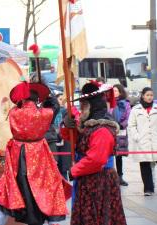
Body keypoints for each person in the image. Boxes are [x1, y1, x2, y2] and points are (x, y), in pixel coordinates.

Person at [0, 82, 71, 225]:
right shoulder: (44, 114)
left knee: (10, 189)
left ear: (23, 99)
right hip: (39, 155)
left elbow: (17, 108)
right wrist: (50, 99)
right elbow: (54, 108)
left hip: (17, 156)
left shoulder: (14, 113)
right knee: (47, 188)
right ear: (36, 100)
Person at [62, 81, 126, 225]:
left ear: (93, 106)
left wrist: (74, 170)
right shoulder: (89, 125)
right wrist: (67, 126)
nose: (82, 109)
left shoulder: (102, 129)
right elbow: (75, 141)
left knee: (98, 217)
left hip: (100, 181)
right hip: (89, 180)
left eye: (84, 105)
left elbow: (96, 159)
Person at [128, 87, 157, 196]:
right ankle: (148, 189)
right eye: (148, 95)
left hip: (155, 141)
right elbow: (131, 125)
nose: (150, 97)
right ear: (143, 96)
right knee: (145, 166)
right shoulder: (136, 109)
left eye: (151, 95)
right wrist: (137, 136)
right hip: (143, 142)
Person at [109, 84, 131, 186]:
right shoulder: (108, 103)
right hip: (110, 131)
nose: (114, 92)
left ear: (121, 92)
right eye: (113, 91)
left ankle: (120, 177)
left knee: (119, 156)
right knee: (109, 154)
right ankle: (110, 177)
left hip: (121, 131)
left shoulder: (125, 103)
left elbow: (128, 117)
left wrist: (121, 125)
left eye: (116, 91)